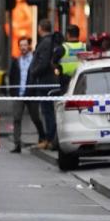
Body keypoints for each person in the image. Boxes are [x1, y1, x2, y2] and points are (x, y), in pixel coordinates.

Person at [7, 37, 45, 153]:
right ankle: (17, 144)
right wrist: (13, 93)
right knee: (17, 118)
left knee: (35, 118)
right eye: (21, 45)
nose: (23, 47)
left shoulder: (34, 60)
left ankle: (42, 137)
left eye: (25, 45)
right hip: (19, 94)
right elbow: (12, 77)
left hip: (31, 94)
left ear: (29, 46)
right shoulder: (16, 61)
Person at [30, 19, 62, 149]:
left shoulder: (45, 43)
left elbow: (42, 63)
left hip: (45, 82)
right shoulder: (50, 41)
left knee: (47, 112)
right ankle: (51, 138)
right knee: (49, 111)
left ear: (41, 28)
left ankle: (50, 139)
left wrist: (33, 71)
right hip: (50, 82)